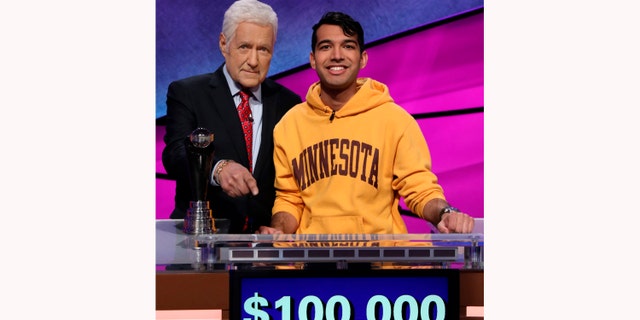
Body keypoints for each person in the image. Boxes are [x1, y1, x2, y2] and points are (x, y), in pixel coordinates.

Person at [260, 12, 474, 235]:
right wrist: (279, 230)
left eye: (348, 46)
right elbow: (289, 199)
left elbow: (419, 189)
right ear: (313, 59)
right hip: (313, 262)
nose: (336, 55)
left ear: (363, 58)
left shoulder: (395, 120)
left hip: (379, 261)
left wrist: (446, 212)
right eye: (326, 47)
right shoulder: (289, 125)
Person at [162, 0, 302, 233]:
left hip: (264, 250)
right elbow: (175, 155)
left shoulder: (289, 103)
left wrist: (280, 226)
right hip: (201, 243)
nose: (254, 61)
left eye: (263, 49)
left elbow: (292, 185)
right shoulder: (188, 93)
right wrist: (217, 169)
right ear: (224, 44)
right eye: (245, 47)